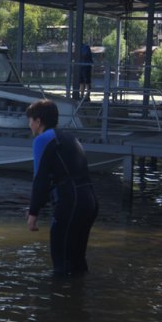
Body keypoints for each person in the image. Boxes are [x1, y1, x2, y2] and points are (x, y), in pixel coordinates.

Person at [25, 99, 98, 276]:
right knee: (78, 261)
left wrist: (33, 213)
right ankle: (78, 299)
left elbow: (40, 180)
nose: (29, 125)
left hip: (70, 202)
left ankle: (59, 301)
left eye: (30, 120)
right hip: (90, 201)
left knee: (61, 263)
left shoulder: (43, 140)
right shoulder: (69, 137)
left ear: (38, 122)